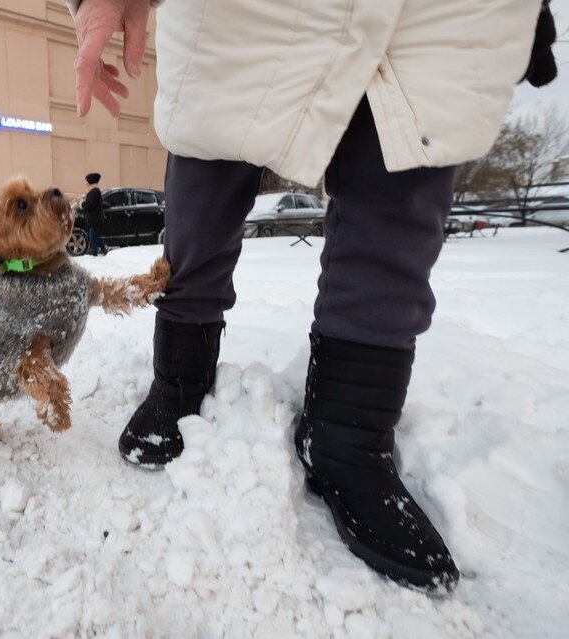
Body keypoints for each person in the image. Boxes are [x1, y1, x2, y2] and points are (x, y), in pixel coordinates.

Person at [66, 0, 554, 592]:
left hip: (442, 16)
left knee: (403, 179)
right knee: (204, 180)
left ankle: (348, 435)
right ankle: (179, 379)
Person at [81, 172, 107, 256]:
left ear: (90, 181)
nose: (85, 183)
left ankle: (94, 254)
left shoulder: (94, 191)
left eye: (86, 181)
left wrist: (82, 204)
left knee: (93, 238)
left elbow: (90, 205)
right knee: (90, 237)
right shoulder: (92, 191)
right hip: (91, 219)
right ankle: (103, 248)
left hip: (94, 220)